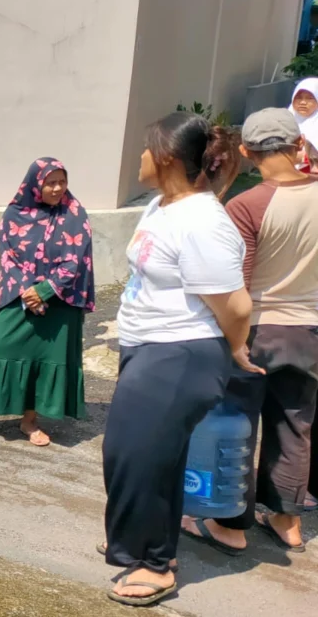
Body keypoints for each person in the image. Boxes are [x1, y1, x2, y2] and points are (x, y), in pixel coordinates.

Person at [101, 112, 256, 607]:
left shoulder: (204, 222)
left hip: (182, 352)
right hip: (149, 345)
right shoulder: (163, 204)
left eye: (146, 150)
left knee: (136, 455)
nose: (139, 159)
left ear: (166, 158)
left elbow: (235, 305)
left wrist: (235, 348)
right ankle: (151, 540)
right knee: (152, 456)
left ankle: (150, 561)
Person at [179, 108, 318, 554]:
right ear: (299, 145)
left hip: (257, 329)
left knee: (237, 423)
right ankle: (286, 520)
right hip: (310, 331)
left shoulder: (246, 205)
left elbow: (235, 283)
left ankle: (230, 524)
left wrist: (232, 342)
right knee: (295, 426)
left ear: (246, 151)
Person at [0, 158, 94, 447]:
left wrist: (47, 290)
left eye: (62, 181)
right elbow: (8, 256)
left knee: (45, 359)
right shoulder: (14, 214)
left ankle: (30, 421)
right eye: (51, 182)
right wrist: (28, 292)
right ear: (36, 183)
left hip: (60, 302)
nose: (57, 188)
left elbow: (77, 260)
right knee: (1, 348)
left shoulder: (74, 213)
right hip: (19, 296)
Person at [289, 78, 318, 174]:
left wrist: (303, 158)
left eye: (310, 98)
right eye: (298, 98)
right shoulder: (286, 121)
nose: (303, 102)